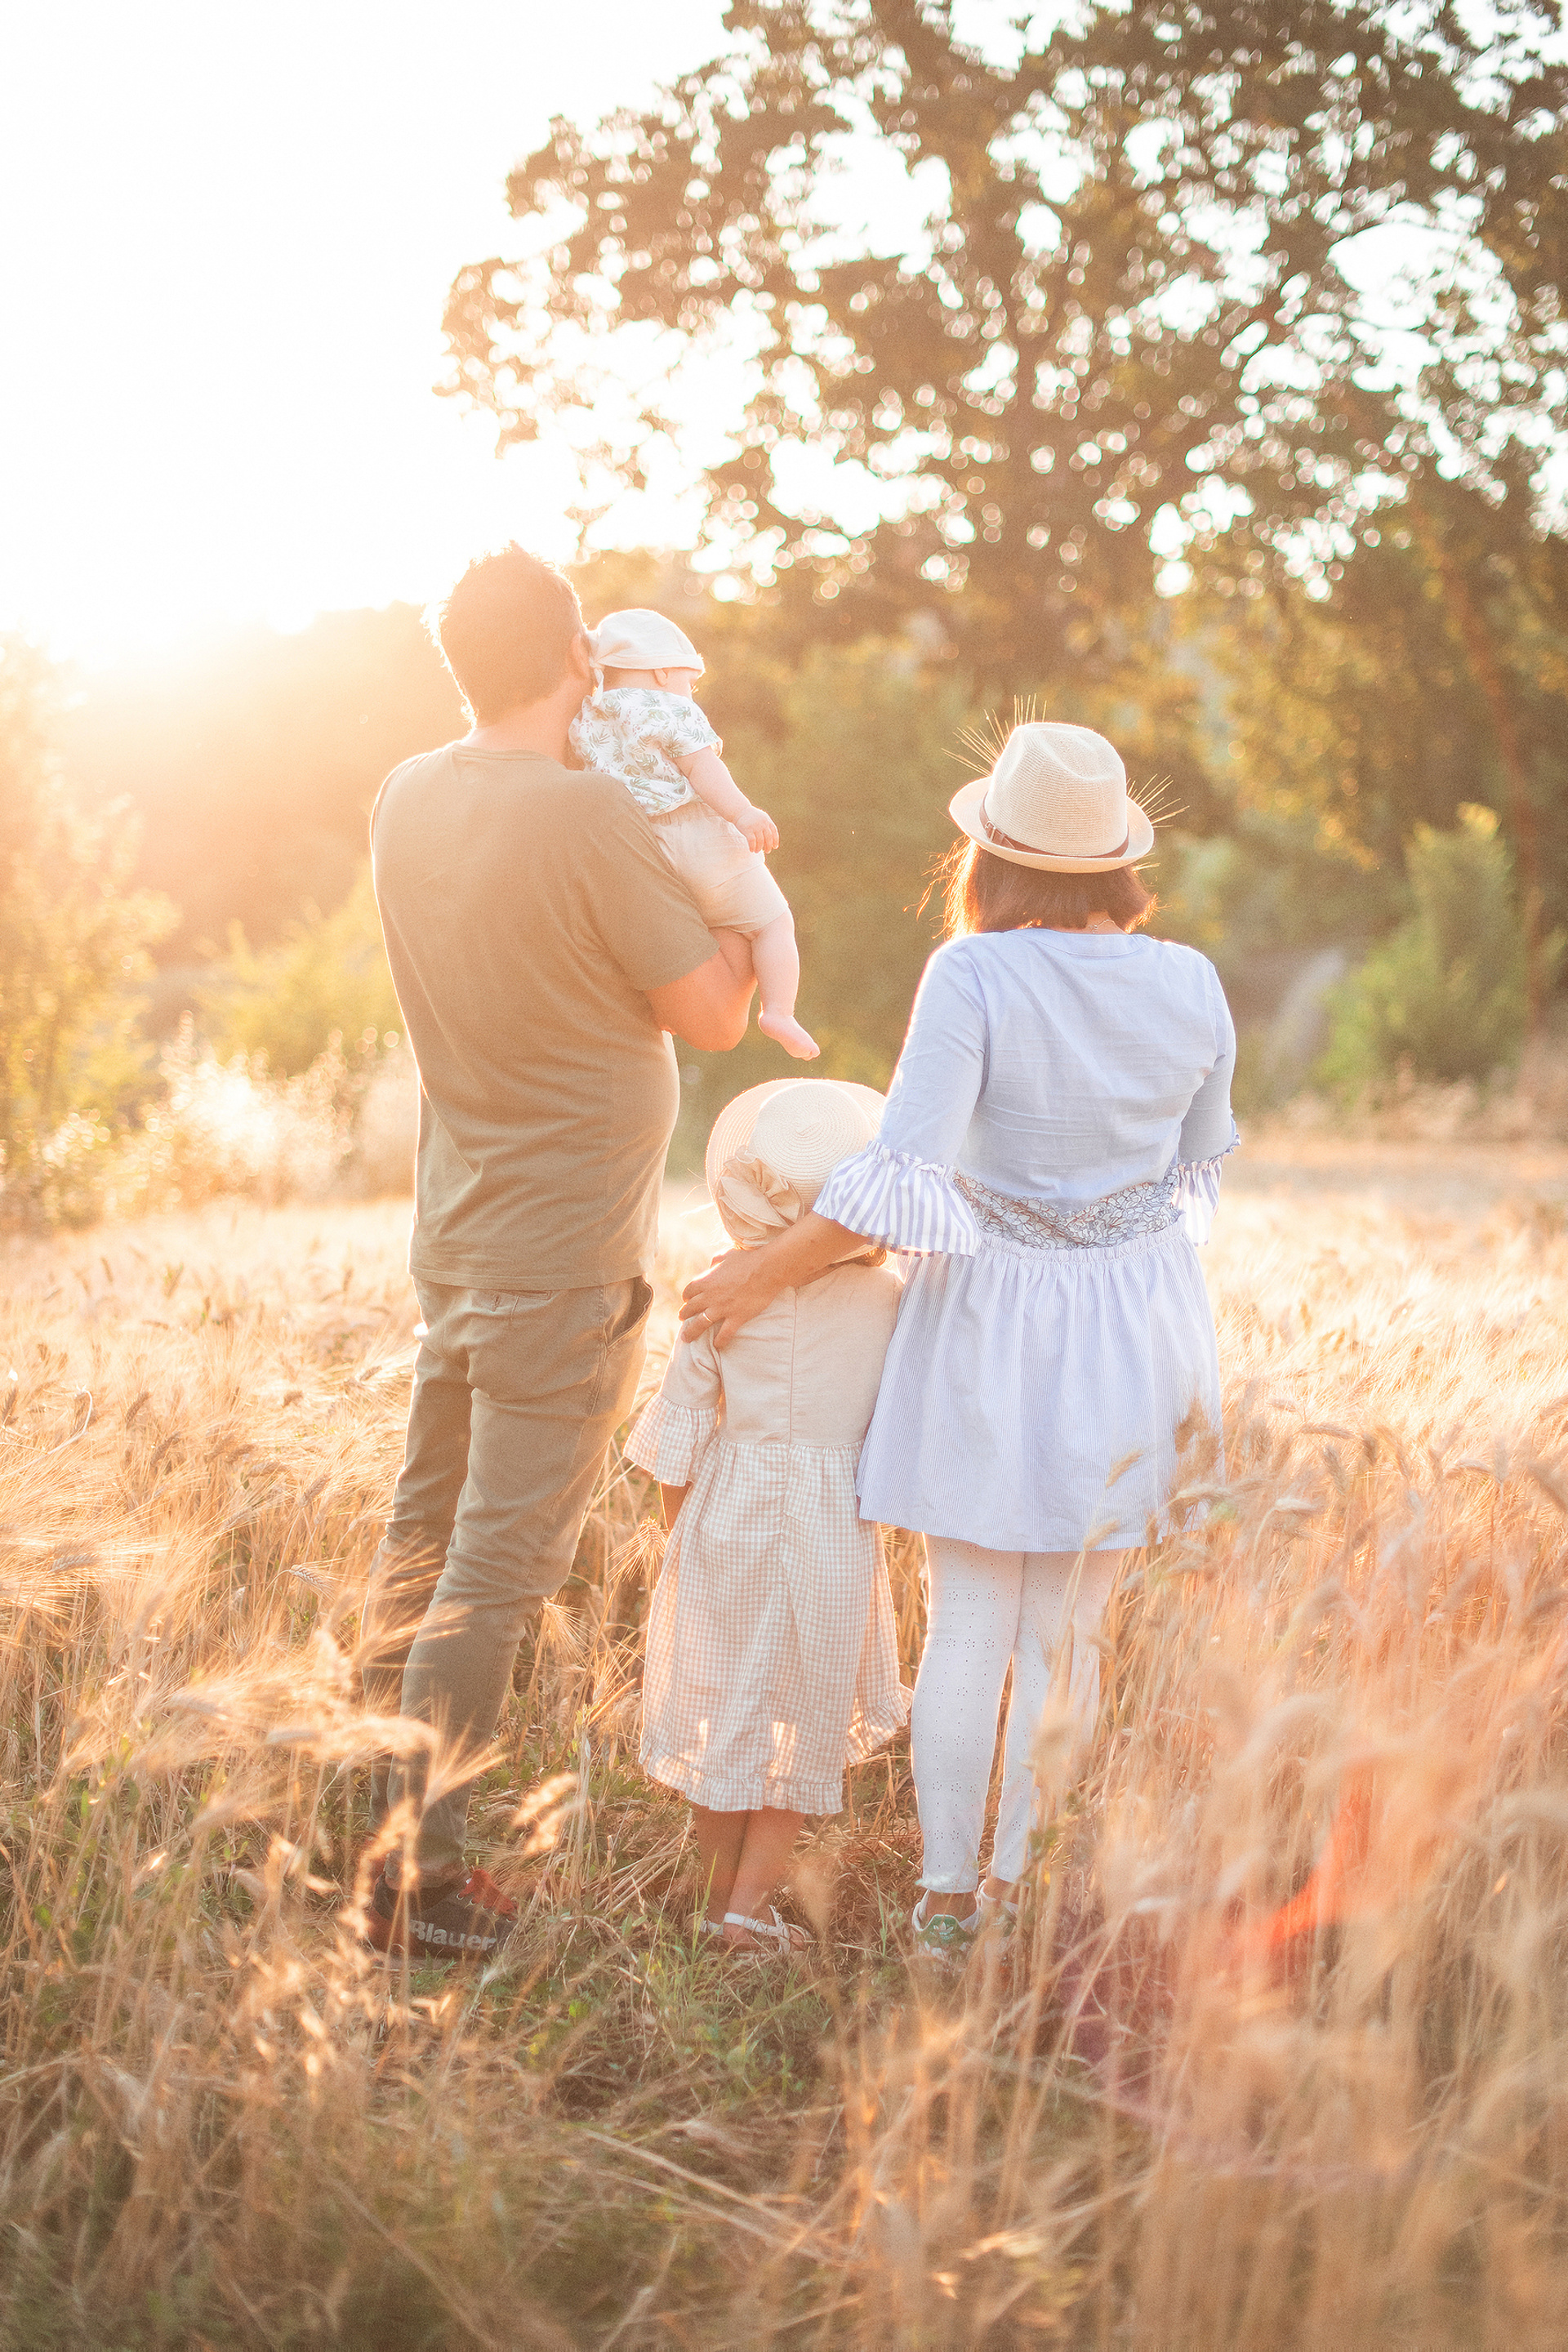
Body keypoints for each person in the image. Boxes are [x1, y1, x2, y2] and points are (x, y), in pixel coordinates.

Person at [677, 720, 1236, 1964]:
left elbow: (902, 1169)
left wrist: (768, 1269)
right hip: (1140, 1322)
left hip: (991, 1315)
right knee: (1068, 1637)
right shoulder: (1191, 979)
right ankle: (1018, 1892)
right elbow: (1196, 1173)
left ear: (991, 857)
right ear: (1116, 865)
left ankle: (944, 1904)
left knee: (972, 1615)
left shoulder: (975, 975)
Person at [358, 546, 755, 1962]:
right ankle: (421, 1883)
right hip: (563, 1257)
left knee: (418, 1551)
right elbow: (710, 1016)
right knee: (490, 1579)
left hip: (456, 1242)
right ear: (579, 657)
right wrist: (745, 901)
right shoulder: (589, 814)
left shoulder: (407, 793)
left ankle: (371, 1839)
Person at [626, 1079, 909, 1953]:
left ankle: (716, 1904)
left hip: (726, 1522)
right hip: (833, 1525)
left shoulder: (719, 1292)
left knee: (726, 1718)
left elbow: (673, 1437)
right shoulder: (890, 1299)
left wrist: (686, 1539)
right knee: (803, 1717)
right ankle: (747, 1909)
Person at [568, 608, 817, 1060]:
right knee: (771, 923)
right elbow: (703, 769)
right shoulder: (673, 709)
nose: (690, 690)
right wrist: (744, 813)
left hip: (645, 853)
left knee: (691, 931)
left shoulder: (589, 718)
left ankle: (668, 1011)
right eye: (690, 678)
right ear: (663, 671)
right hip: (702, 838)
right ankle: (779, 1011)